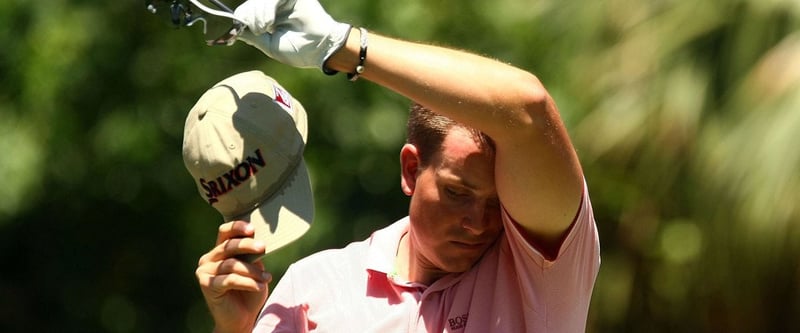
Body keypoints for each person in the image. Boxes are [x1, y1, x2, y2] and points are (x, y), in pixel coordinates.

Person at [193, 0, 601, 332]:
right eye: (458, 193)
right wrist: (237, 329)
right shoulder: (314, 286)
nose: (478, 222)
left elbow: (528, 110)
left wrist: (340, 46)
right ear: (410, 170)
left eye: (498, 204)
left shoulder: (542, 270)